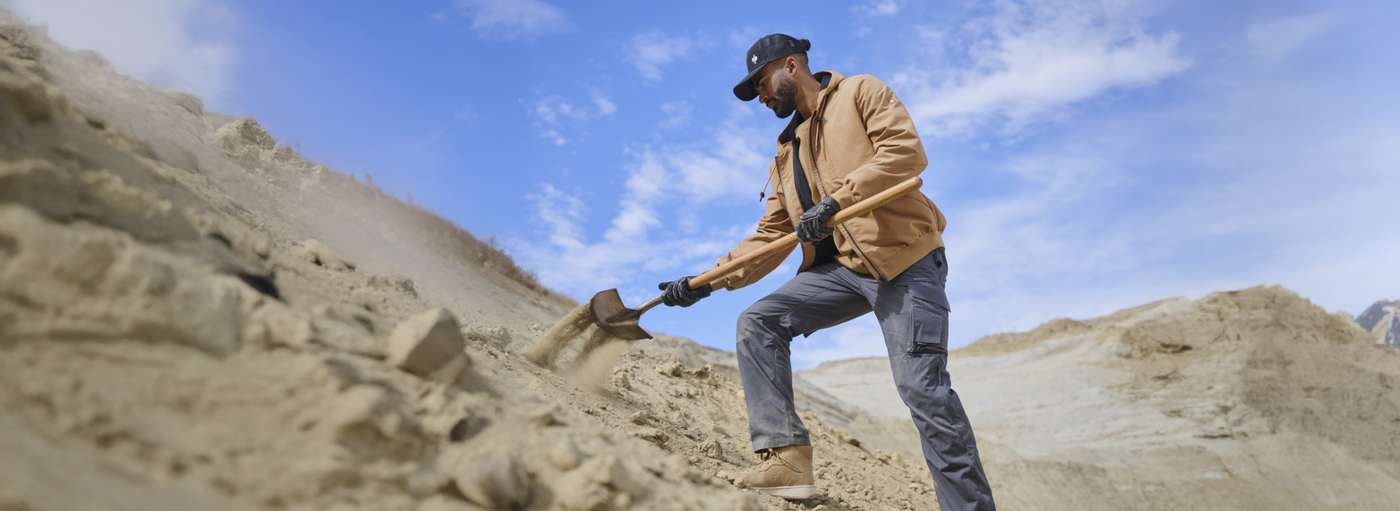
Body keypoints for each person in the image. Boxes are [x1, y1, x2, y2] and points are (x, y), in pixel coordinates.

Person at [656, 34, 997, 510]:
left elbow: (904, 153)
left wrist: (838, 199)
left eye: (762, 82)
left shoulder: (860, 92)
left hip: (904, 260)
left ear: (791, 66)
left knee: (923, 390)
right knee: (758, 322)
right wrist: (705, 282)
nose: (761, 96)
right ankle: (789, 462)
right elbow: (770, 237)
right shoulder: (783, 156)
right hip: (841, 271)